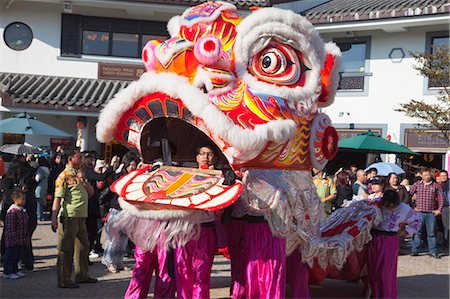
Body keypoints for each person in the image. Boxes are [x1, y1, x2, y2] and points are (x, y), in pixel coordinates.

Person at [174, 145, 217, 299]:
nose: (206, 157)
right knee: (183, 273)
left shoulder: (219, 179)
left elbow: (219, 212)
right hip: (184, 230)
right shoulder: (186, 176)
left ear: (214, 158)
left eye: (210, 154)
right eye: (203, 153)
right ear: (197, 157)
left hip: (205, 231)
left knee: (201, 275)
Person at [51, 149, 97, 288]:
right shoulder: (63, 176)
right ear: (70, 159)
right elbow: (58, 198)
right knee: (66, 250)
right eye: (79, 156)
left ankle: (81, 275)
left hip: (81, 216)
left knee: (84, 247)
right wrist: (54, 218)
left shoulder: (79, 174)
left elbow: (91, 192)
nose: (81, 158)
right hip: (68, 216)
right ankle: (64, 280)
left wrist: (83, 180)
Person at [367, 190, 422, 299]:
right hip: (374, 239)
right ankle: (375, 294)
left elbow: (417, 222)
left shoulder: (405, 209)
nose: (390, 207)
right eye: (387, 205)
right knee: (373, 269)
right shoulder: (376, 203)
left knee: (386, 271)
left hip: (390, 240)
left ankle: (387, 295)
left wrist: (405, 232)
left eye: (392, 205)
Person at [102, 152, 140, 273]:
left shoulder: (134, 177)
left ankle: (118, 261)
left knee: (123, 239)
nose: (132, 167)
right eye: (131, 165)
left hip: (127, 211)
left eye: (134, 165)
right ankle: (109, 261)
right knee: (113, 238)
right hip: (117, 208)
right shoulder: (119, 176)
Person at [80, 153, 117, 258]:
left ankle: (87, 254)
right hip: (90, 204)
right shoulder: (87, 171)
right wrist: (111, 166)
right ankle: (86, 254)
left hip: (90, 204)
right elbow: (102, 177)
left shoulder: (85, 171)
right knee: (90, 231)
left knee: (92, 230)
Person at [409, 167, 444, 259]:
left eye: (428, 174)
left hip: (430, 213)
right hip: (419, 212)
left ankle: (432, 251)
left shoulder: (435, 186)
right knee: (417, 232)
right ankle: (414, 250)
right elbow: (409, 195)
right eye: (425, 175)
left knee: (431, 233)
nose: (427, 176)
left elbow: (441, 198)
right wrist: (412, 207)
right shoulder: (417, 185)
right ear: (421, 175)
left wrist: (439, 209)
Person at [3, 190, 29, 280]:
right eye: (23, 199)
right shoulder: (13, 212)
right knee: (10, 256)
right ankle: (7, 272)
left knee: (17, 256)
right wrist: (13, 238)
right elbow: (10, 227)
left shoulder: (22, 210)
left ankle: (15, 270)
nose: (24, 201)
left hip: (20, 238)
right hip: (13, 239)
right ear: (16, 199)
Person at [35, 157, 50, 221]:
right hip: (45, 186)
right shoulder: (47, 169)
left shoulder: (40, 169)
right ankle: (41, 215)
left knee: (38, 202)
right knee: (42, 202)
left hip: (39, 187)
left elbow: (37, 178)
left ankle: (39, 216)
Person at [439, 170, 449, 247]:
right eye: (441, 176)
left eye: (444, 176)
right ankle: (445, 242)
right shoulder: (442, 185)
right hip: (444, 207)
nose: (443, 177)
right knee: (445, 226)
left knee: (447, 226)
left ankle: (446, 243)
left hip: (448, 207)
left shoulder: (448, 184)